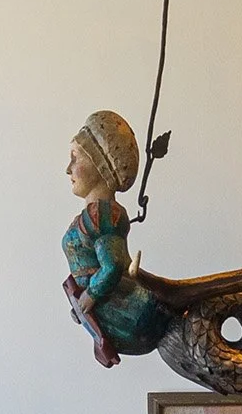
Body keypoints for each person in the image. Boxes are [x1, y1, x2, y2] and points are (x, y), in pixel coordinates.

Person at [61, 110, 171, 367]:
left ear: (100, 166)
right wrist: (81, 306)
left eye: (75, 158)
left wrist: (89, 297)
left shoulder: (102, 215)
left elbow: (112, 266)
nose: (68, 169)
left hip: (125, 312)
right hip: (103, 311)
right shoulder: (93, 214)